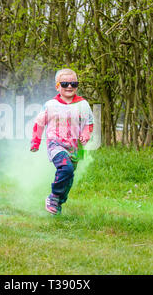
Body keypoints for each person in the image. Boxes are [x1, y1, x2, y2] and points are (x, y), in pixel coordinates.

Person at [30, 68, 94, 215]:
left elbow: (89, 123)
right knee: (66, 169)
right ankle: (53, 196)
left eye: (73, 83)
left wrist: (86, 134)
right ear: (57, 86)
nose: (69, 87)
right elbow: (39, 123)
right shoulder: (50, 105)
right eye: (65, 84)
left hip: (76, 147)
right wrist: (35, 142)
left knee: (69, 177)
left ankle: (58, 201)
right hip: (56, 144)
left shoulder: (83, 104)